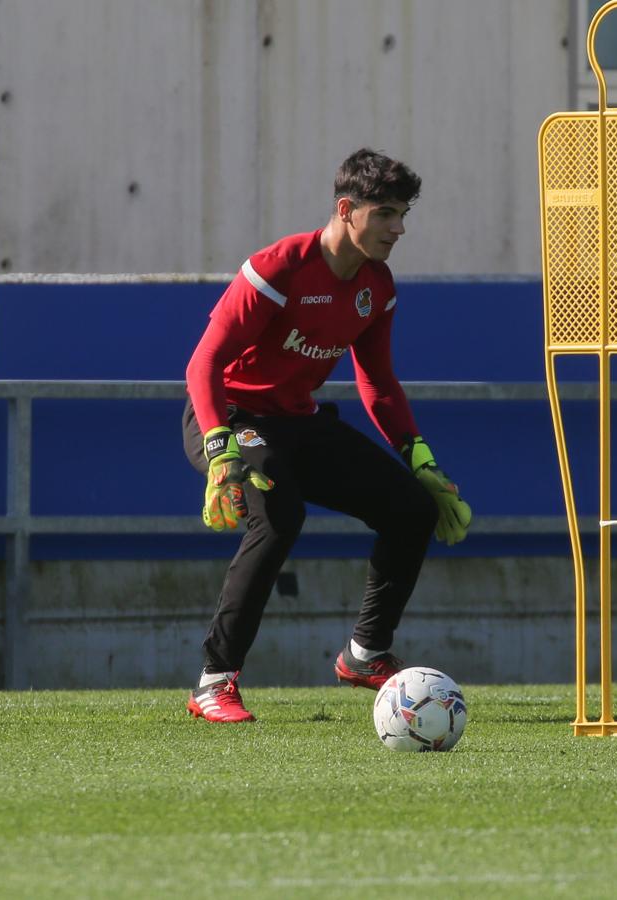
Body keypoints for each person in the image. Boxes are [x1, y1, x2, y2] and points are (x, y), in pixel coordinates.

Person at [181, 148, 471, 723]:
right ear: (347, 209)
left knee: (412, 510)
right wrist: (220, 446)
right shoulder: (277, 268)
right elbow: (202, 365)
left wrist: (421, 457)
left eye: (403, 213)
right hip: (231, 417)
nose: (399, 227)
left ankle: (364, 655)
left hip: (298, 421)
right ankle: (214, 681)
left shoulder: (377, 285)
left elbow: (379, 384)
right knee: (281, 516)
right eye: (386, 213)